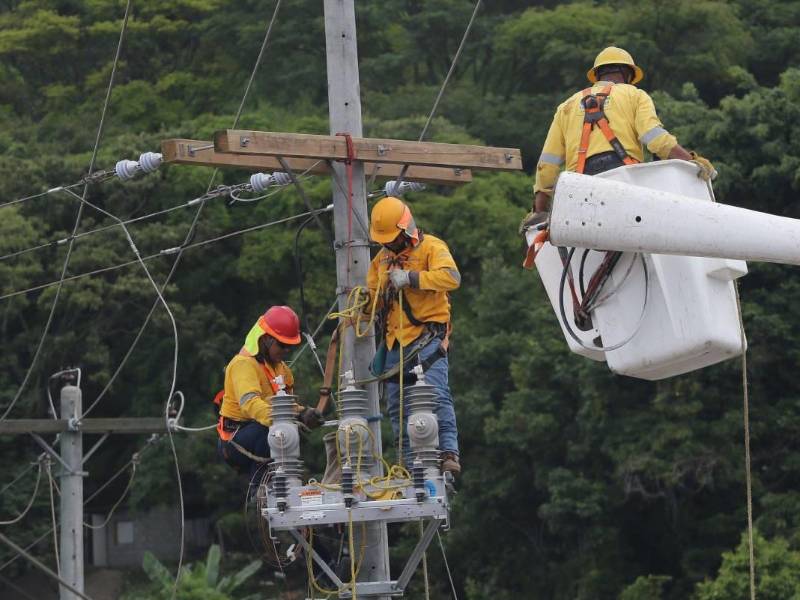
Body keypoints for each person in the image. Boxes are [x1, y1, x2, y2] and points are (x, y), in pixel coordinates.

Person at [520, 46, 717, 233]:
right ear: (627, 74)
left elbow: (547, 164)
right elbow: (655, 139)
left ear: (597, 75)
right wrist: (690, 160)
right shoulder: (634, 95)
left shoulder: (567, 106)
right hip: (624, 180)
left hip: (578, 188)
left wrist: (540, 211)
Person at [366, 196, 462, 475]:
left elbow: (451, 278)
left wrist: (411, 278)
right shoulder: (380, 261)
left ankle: (447, 452)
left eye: (393, 239)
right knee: (398, 407)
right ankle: (409, 463)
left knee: (435, 396)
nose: (389, 244)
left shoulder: (432, 247)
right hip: (394, 343)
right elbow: (370, 299)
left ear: (405, 228)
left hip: (427, 339)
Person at [216, 305, 323, 481]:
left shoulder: (282, 369)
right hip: (235, 440)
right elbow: (250, 403)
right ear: (266, 339)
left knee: (289, 431)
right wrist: (282, 419)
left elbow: (284, 404)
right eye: (282, 345)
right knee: (275, 431)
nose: (286, 350)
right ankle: (261, 488)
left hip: (260, 431)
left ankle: (282, 483)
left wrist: (303, 413)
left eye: (290, 346)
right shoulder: (243, 364)